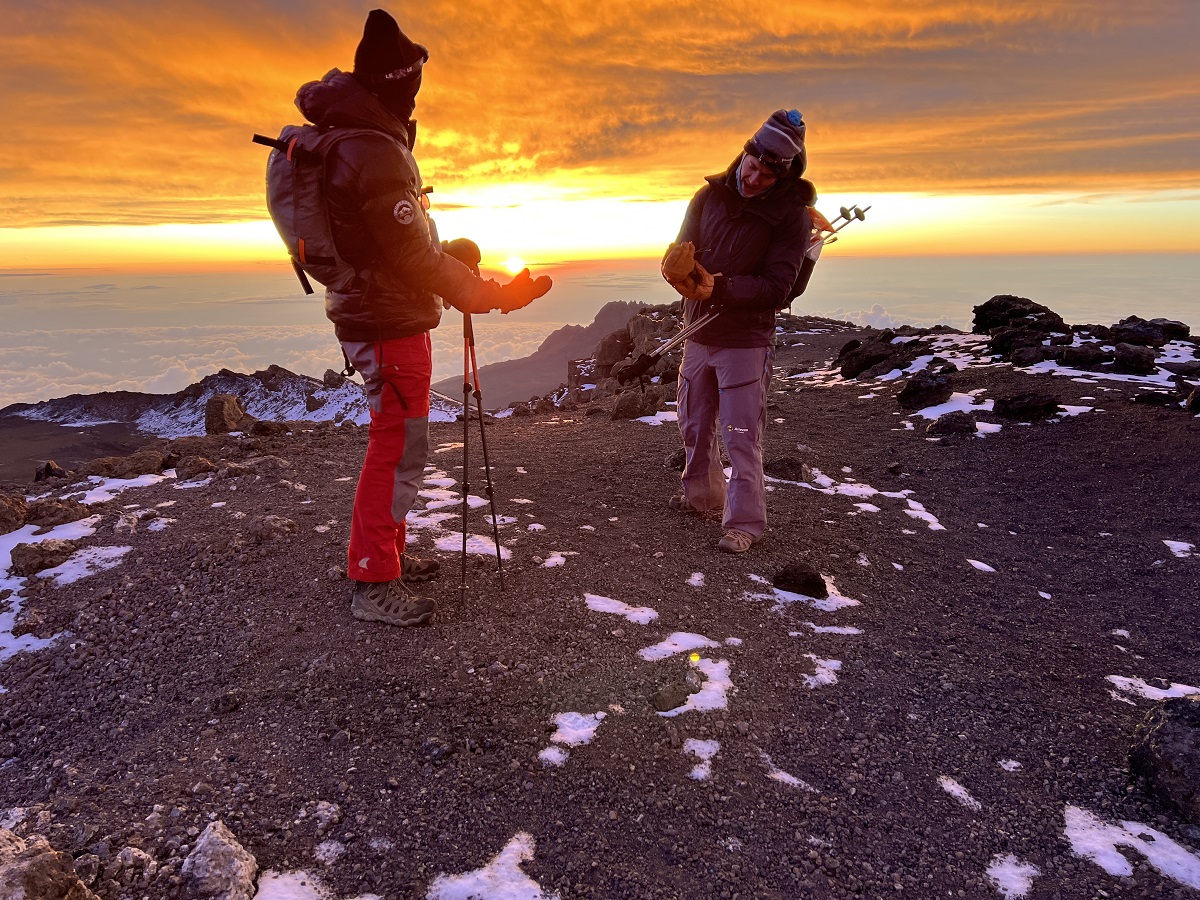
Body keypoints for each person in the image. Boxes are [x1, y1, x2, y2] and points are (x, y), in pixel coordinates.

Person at [292, 9, 551, 625]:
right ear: (398, 83)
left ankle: (387, 555)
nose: (417, 93)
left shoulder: (359, 135)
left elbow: (393, 243)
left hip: (384, 313)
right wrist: (490, 294)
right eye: (413, 82)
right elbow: (410, 257)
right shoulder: (373, 149)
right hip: (387, 323)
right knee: (397, 449)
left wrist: (445, 254)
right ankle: (373, 579)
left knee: (400, 444)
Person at [660, 109, 813, 554]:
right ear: (745, 152)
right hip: (698, 332)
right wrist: (674, 270)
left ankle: (744, 524)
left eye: (768, 174)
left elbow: (779, 287)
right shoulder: (708, 197)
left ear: (784, 173)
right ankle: (702, 497)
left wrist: (720, 287)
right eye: (753, 165)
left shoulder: (791, 215)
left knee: (741, 435)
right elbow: (682, 249)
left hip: (746, 340)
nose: (755, 177)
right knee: (694, 423)